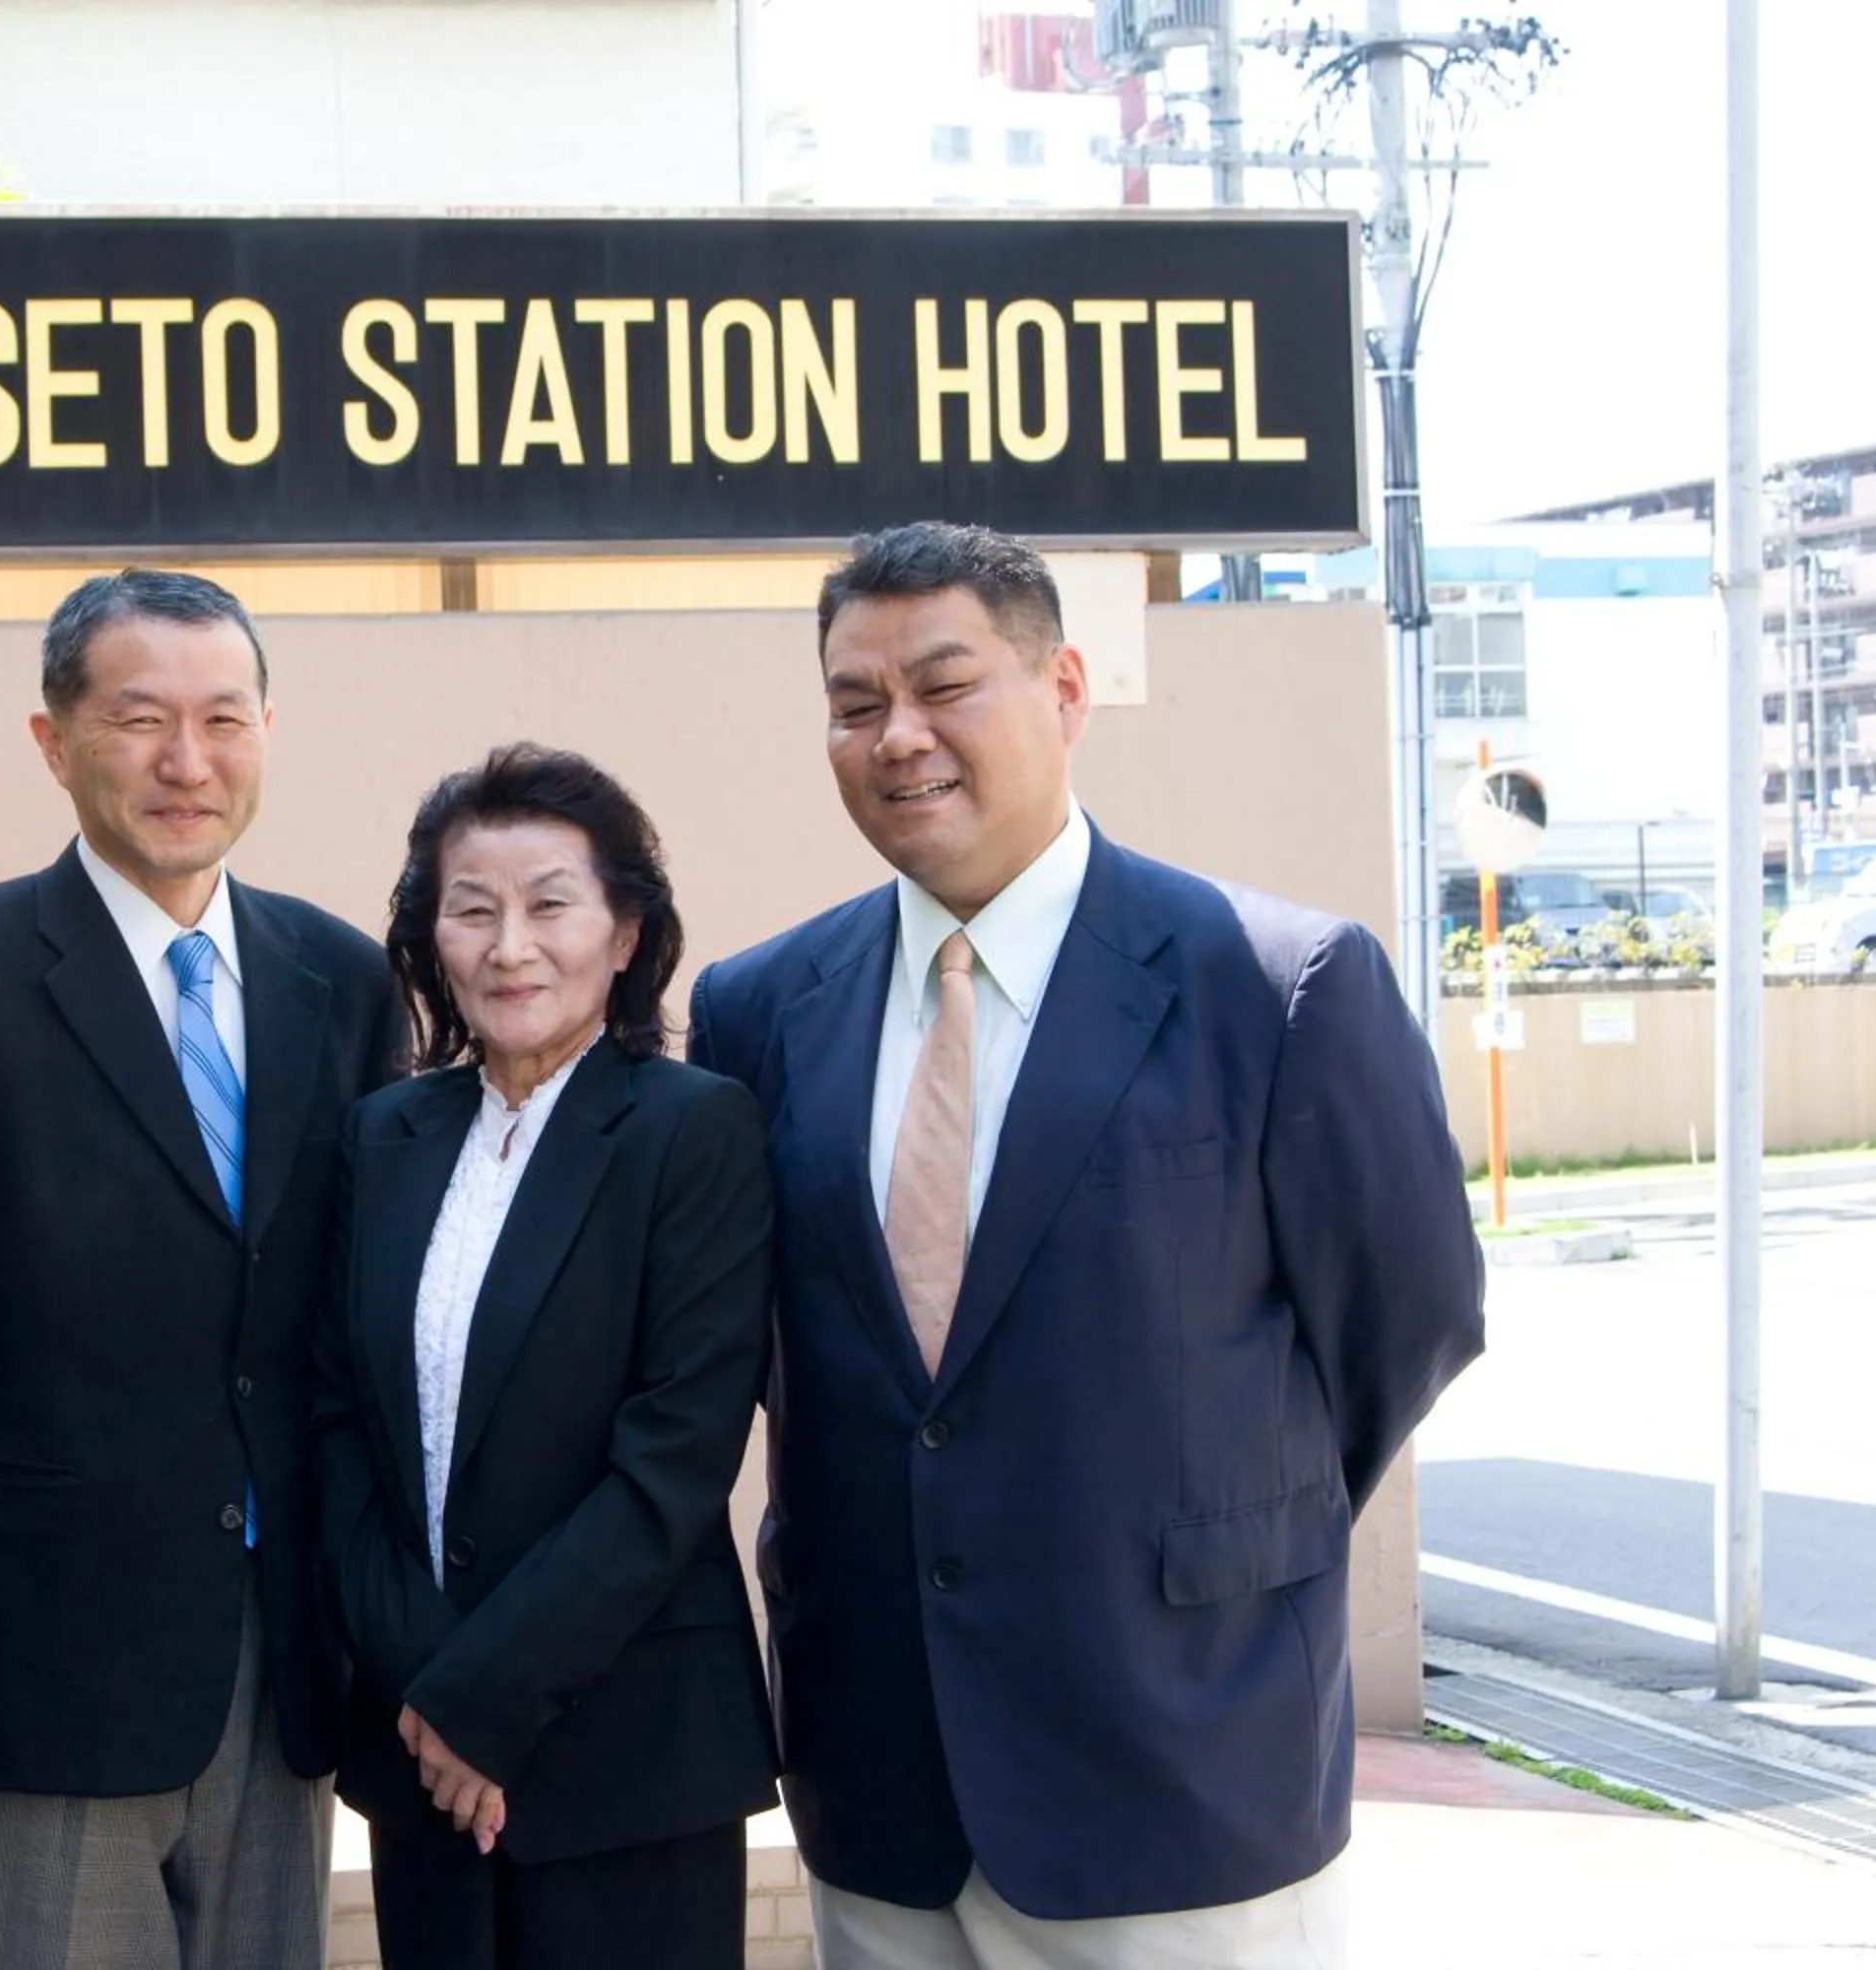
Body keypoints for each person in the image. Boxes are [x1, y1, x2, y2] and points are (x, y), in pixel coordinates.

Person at [687, 521, 1485, 1970]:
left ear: (1064, 690)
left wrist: (1206, 1543)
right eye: (854, 705)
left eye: (945, 686)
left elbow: (1408, 1325)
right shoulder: (758, 1009)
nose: (898, 738)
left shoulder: (1278, 985)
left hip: (1183, 1774)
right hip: (881, 1775)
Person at [0, 568, 408, 1970]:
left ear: (266, 730)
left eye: (223, 718)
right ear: (52, 740)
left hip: (279, 1667)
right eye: (139, 719)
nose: (186, 762)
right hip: (30, 1668)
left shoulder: (343, 978)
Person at [313, 743, 780, 1970]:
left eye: (549, 904)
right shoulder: (385, 1136)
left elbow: (673, 1462)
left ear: (626, 933)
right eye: (472, 908)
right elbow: (336, 1426)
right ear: (431, 940)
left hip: (631, 1755)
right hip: (423, 1756)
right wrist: (430, 1691)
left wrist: (486, 1696)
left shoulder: (694, 1129)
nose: (509, 943)